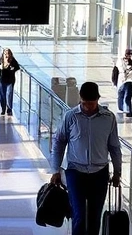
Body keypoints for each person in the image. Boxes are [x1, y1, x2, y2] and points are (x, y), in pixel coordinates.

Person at [49, 82, 122, 235]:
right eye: (84, 103)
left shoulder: (108, 118)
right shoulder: (71, 116)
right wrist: (55, 169)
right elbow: (59, 142)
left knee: (95, 217)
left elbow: (114, 147)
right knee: (79, 215)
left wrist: (117, 172)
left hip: (100, 173)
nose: (88, 107)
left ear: (98, 99)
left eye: (91, 103)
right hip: (76, 172)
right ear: (80, 99)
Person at [0, 48, 19, 116]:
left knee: (9, 94)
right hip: (1, 80)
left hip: (10, 81)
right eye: (5, 54)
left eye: (8, 54)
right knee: (2, 95)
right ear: (3, 54)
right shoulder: (0, 60)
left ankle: (9, 109)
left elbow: (17, 67)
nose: (6, 55)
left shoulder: (12, 60)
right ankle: (3, 109)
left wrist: (13, 69)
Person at [115, 49, 132, 118]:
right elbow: (120, 69)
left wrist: (127, 73)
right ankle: (122, 109)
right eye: (128, 54)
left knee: (127, 97)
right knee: (120, 96)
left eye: (130, 54)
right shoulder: (121, 61)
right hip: (121, 81)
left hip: (129, 82)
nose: (129, 56)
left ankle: (128, 111)